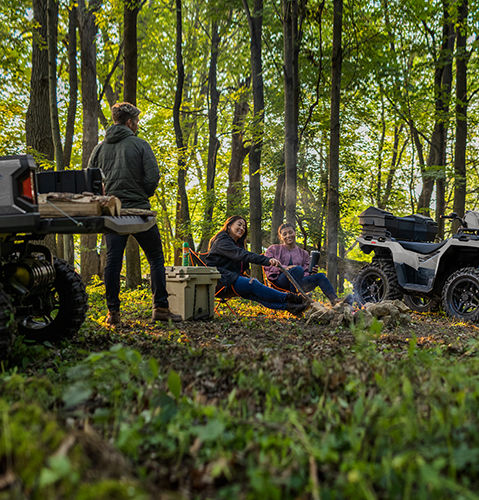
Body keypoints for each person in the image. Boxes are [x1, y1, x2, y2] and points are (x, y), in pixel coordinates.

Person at [87, 101, 181, 325]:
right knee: (156, 257)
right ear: (130, 122)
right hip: (139, 212)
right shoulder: (140, 144)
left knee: (113, 261)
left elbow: (90, 179)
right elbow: (152, 177)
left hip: (113, 212)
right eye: (136, 120)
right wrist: (143, 194)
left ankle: (113, 313)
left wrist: (105, 198)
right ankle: (160, 308)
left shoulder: (99, 148)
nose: (137, 124)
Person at [205, 216, 309, 315]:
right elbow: (244, 255)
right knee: (253, 283)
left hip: (229, 279)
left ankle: (292, 307)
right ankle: (293, 298)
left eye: (244, 227)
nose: (242, 228)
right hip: (220, 281)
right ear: (229, 226)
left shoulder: (236, 243)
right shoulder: (222, 241)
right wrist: (267, 260)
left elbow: (242, 261)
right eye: (239, 225)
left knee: (256, 295)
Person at [265, 222, 352, 305]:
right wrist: (285, 268)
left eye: (290, 232)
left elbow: (306, 272)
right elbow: (267, 264)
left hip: (299, 283)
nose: (288, 235)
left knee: (320, 276)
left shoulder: (304, 253)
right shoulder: (273, 249)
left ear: (295, 233)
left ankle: (335, 300)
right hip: (281, 281)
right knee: (297, 269)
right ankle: (295, 301)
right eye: (284, 234)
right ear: (280, 237)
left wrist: (311, 272)